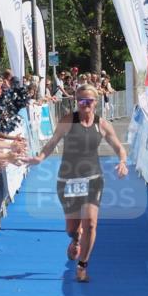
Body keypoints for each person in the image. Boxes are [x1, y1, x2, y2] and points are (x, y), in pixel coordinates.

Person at [28, 83, 127, 283]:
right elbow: (52, 143)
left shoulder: (102, 124)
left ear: (95, 102)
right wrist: (39, 158)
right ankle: (75, 238)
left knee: (90, 223)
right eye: (81, 101)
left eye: (89, 101)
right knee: (72, 228)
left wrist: (123, 162)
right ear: (76, 102)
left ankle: (82, 266)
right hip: (68, 180)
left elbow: (118, 146)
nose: (85, 105)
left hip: (93, 178)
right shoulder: (67, 121)